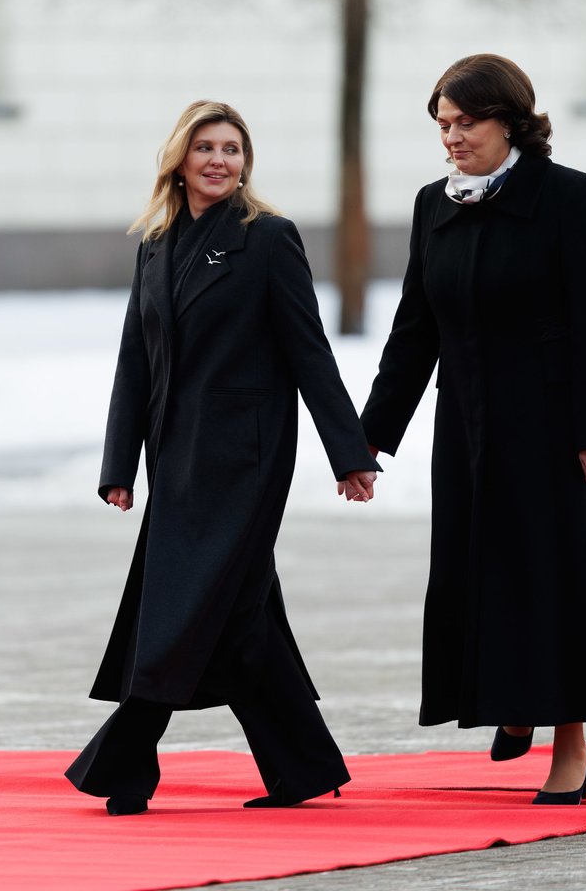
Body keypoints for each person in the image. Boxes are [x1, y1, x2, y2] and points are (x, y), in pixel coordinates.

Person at [66, 100, 380, 816]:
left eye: (232, 149)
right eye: (205, 147)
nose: (219, 160)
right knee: (237, 616)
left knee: (188, 603)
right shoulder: (155, 243)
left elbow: (309, 350)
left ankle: (125, 763)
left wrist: (348, 452)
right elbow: (135, 359)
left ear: (245, 163)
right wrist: (119, 465)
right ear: (179, 160)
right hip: (176, 457)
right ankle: (302, 767)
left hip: (246, 459)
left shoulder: (267, 238)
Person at [360, 54, 586, 805]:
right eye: (442, 125)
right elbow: (415, 328)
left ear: (510, 121)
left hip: (558, 434)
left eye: (466, 122)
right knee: (483, 578)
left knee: (558, 585)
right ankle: (514, 704)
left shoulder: (572, 197)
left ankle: (571, 748)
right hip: (470, 430)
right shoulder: (434, 205)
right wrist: (369, 434)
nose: (452, 137)